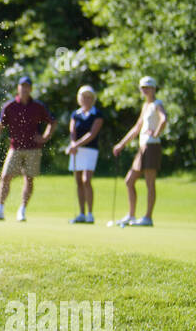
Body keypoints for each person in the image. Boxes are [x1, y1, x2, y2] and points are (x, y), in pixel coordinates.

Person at [0, 75, 56, 221]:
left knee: (29, 179)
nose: (24, 89)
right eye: (22, 86)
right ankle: (0, 209)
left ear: (31, 89)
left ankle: (22, 210)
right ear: (18, 88)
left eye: (27, 86)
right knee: (5, 177)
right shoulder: (10, 106)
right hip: (15, 147)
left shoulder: (38, 106)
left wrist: (45, 137)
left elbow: (52, 121)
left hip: (33, 148)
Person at [112, 77, 167, 227]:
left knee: (150, 183)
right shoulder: (146, 106)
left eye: (147, 87)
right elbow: (137, 128)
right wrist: (121, 144)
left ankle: (148, 217)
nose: (145, 90)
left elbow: (163, 119)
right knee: (129, 180)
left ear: (154, 88)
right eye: (142, 87)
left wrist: (156, 133)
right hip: (143, 147)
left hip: (152, 146)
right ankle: (131, 215)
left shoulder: (157, 104)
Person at [66, 85, 104, 223]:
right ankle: (81, 213)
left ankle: (90, 214)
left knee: (86, 180)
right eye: (84, 97)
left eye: (89, 97)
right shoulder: (75, 114)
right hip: (77, 150)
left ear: (93, 99)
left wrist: (75, 145)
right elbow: (72, 131)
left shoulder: (97, 114)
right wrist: (73, 144)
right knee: (78, 181)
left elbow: (92, 134)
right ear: (79, 98)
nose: (86, 99)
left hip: (90, 150)